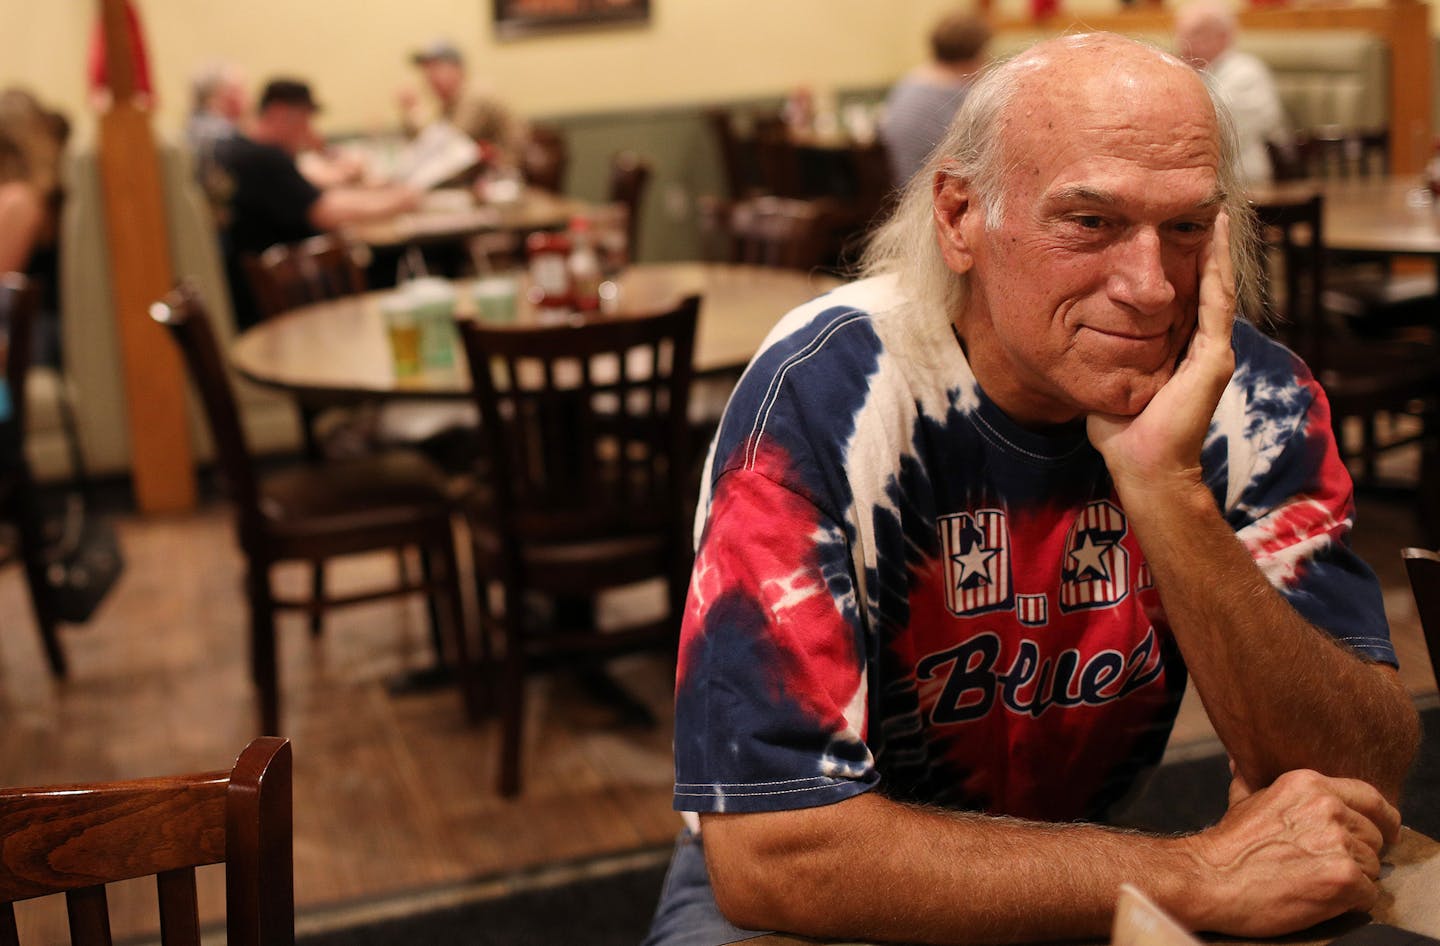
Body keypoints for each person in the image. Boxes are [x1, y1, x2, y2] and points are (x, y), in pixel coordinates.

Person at [644, 32, 1419, 946]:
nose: (1151, 288)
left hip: (1069, 864)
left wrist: (1167, 487)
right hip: (821, 901)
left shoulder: (1247, 396)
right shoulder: (829, 393)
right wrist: (1194, 872)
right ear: (961, 216)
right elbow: (775, 856)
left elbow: (1359, 775)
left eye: (1186, 229)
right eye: (1089, 223)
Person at [214, 78, 419, 328]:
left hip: (275, 283)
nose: (307, 129)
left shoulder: (246, 149)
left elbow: (316, 194)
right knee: (388, 261)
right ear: (280, 113)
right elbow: (324, 211)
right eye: (304, 119)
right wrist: (397, 201)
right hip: (288, 290)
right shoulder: (264, 157)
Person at [1176, 0, 1289, 185]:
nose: (1183, 42)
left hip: (1244, 179)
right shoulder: (1191, 73)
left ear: (1223, 36)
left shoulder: (1246, 72)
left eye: (1195, 33)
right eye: (1181, 33)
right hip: (1197, 177)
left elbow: (1215, 127)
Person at [878, 10, 991, 188]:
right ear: (975, 54)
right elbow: (979, 156)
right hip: (933, 196)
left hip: (906, 191)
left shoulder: (908, 83)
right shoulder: (954, 93)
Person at [398, 38, 526, 170]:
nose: (429, 77)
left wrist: (414, 112)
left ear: (457, 69)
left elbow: (449, 146)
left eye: (436, 68)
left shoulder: (475, 95)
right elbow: (431, 143)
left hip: (510, 174)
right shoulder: (452, 102)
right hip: (487, 174)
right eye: (426, 70)